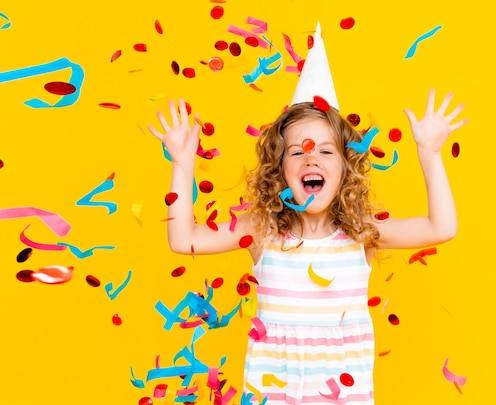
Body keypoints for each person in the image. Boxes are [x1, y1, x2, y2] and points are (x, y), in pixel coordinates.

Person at [148, 24, 467, 405]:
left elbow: (442, 227)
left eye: (326, 152)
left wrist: (429, 153)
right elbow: (183, 240)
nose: (311, 157)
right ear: (278, 168)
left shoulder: (362, 233)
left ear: (346, 169)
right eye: (297, 152)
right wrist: (183, 162)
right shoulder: (262, 231)